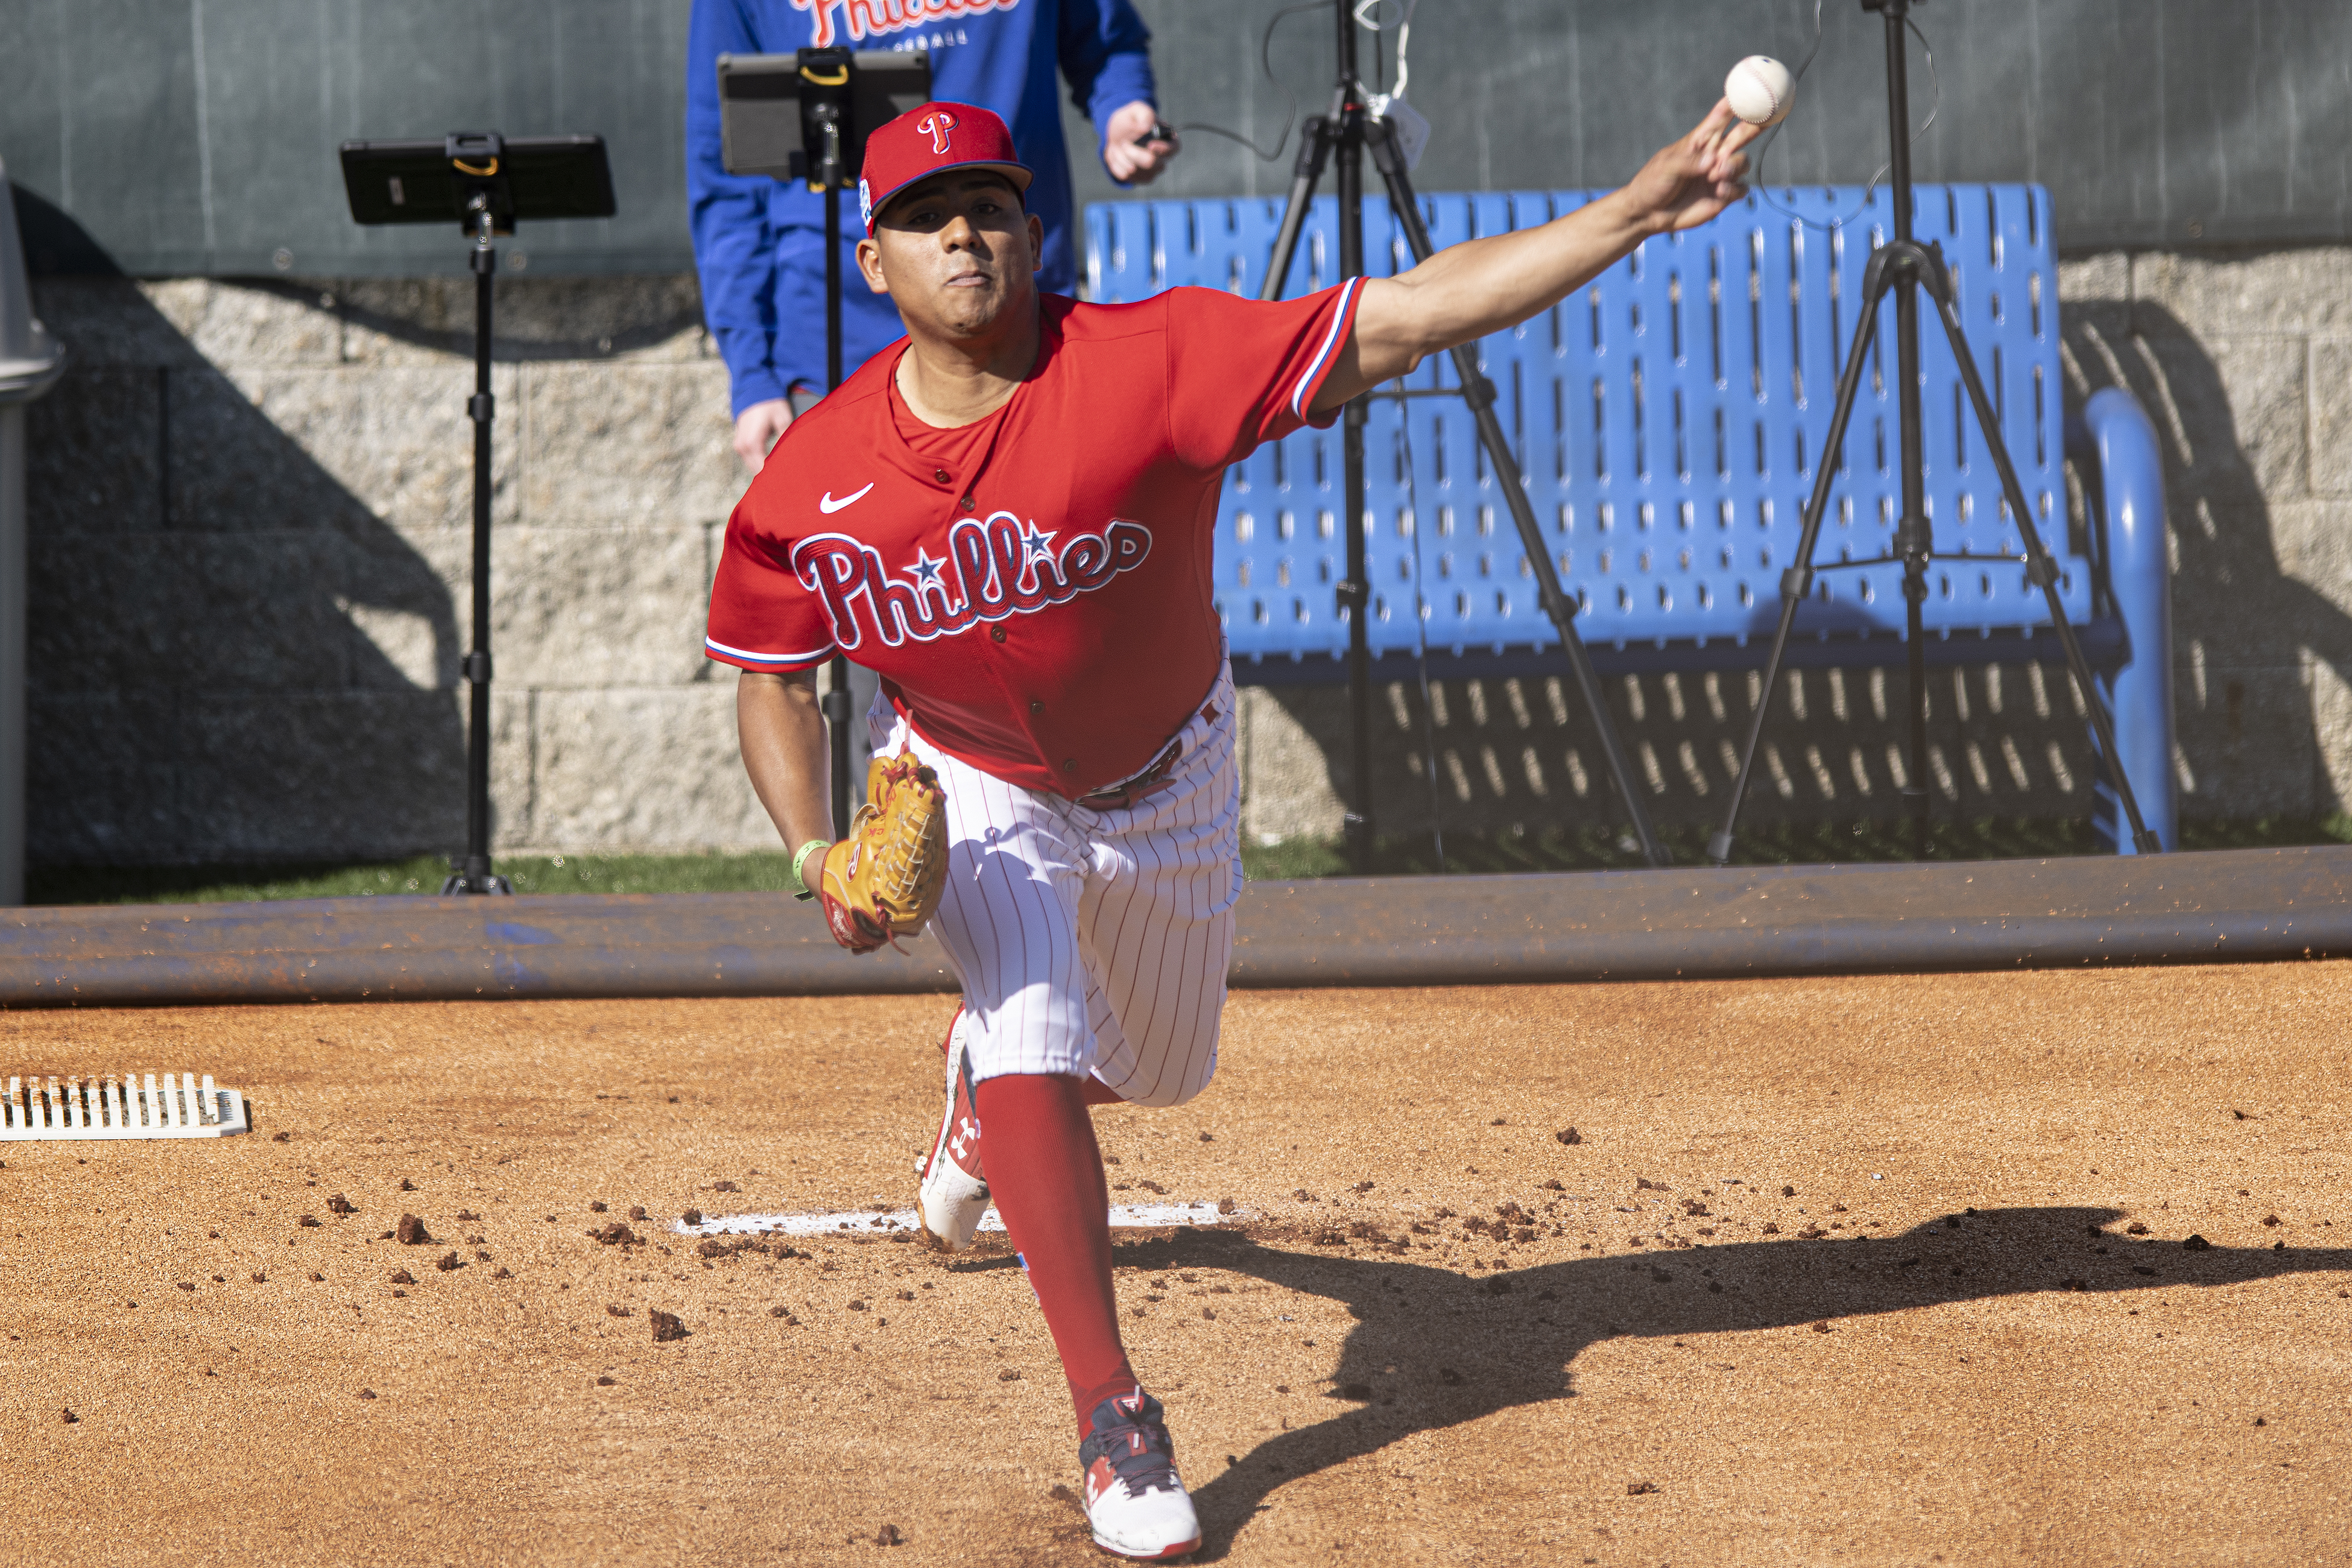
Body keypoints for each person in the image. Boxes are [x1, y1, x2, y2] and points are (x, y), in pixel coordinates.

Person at [702, 100, 1758, 1562]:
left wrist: (1631, 212)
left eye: (990, 205)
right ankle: (1112, 1410)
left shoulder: (1147, 362)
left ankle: (977, 1110)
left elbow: (1406, 317)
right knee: (1028, 1023)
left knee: (1163, 1064)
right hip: (969, 782)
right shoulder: (815, 475)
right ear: (872, 255)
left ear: (1031, 228)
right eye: (925, 213)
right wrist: (816, 851)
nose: (963, 231)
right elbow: (764, 667)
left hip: (1170, 773)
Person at [685, 0, 1178, 477]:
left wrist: (1122, 107)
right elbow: (724, 176)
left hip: (1013, 327)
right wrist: (753, 373)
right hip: (833, 344)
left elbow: (1107, 41)